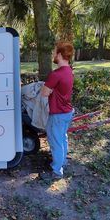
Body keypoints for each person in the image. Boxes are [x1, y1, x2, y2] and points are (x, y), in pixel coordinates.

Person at [40, 41, 74, 180]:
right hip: (67, 111)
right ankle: (62, 161)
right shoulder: (69, 71)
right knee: (62, 138)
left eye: (55, 52)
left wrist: (46, 87)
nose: (54, 55)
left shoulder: (56, 74)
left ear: (59, 54)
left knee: (55, 142)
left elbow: (44, 93)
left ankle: (56, 171)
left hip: (58, 114)